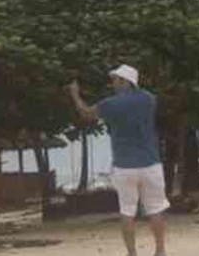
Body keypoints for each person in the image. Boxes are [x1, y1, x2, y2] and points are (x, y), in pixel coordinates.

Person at [67, 64, 168, 256]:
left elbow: (86, 113)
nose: (112, 83)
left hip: (124, 166)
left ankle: (132, 254)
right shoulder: (150, 99)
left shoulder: (110, 104)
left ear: (125, 81)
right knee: (155, 209)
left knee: (127, 211)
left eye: (115, 79)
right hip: (151, 164)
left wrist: (75, 94)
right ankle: (160, 251)